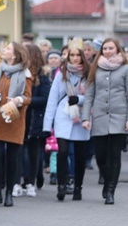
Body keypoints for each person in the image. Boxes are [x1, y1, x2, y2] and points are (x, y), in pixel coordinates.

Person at [0, 42, 33, 208]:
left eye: (8, 49)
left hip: (13, 120)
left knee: (12, 158)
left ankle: (9, 193)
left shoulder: (25, 74)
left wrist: (18, 100)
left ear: (16, 54)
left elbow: (28, 97)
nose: (4, 51)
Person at [43, 38, 91, 202]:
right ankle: (61, 185)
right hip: (63, 115)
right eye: (72, 55)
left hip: (81, 116)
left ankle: (78, 186)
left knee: (80, 155)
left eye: (78, 55)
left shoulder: (89, 73)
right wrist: (47, 124)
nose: (75, 58)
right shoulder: (61, 73)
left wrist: (79, 99)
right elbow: (52, 98)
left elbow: (92, 95)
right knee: (62, 151)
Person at [81, 38, 128, 205]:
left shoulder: (125, 68)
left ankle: (110, 190)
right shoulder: (96, 67)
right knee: (100, 156)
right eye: (105, 48)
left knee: (115, 155)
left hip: (119, 117)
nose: (108, 51)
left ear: (117, 49)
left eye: (111, 48)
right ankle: (107, 179)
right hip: (100, 116)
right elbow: (89, 95)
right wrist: (86, 117)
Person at [20, 43, 52, 196]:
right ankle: (27, 178)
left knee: (33, 151)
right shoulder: (21, 72)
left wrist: (26, 101)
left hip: (35, 118)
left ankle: (31, 179)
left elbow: (45, 98)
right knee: (24, 150)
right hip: (22, 116)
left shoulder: (43, 75)